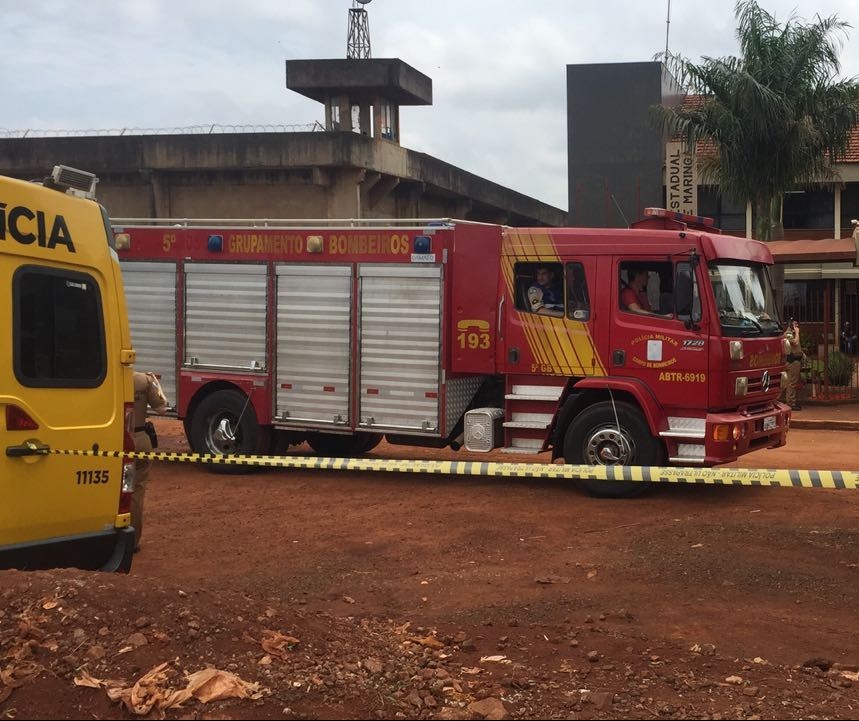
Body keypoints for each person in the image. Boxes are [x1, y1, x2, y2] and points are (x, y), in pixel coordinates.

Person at [132, 370, 169, 551]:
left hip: (115, 440)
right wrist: (155, 382)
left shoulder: (107, 379)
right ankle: (132, 541)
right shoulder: (143, 380)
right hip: (140, 438)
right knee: (137, 490)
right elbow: (162, 408)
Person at [781, 321, 804, 411]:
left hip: (796, 361)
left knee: (792, 382)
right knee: (791, 383)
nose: (797, 326)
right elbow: (795, 343)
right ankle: (790, 403)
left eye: (797, 324)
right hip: (792, 361)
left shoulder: (792, 334)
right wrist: (797, 332)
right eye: (795, 324)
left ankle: (790, 401)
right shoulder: (788, 334)